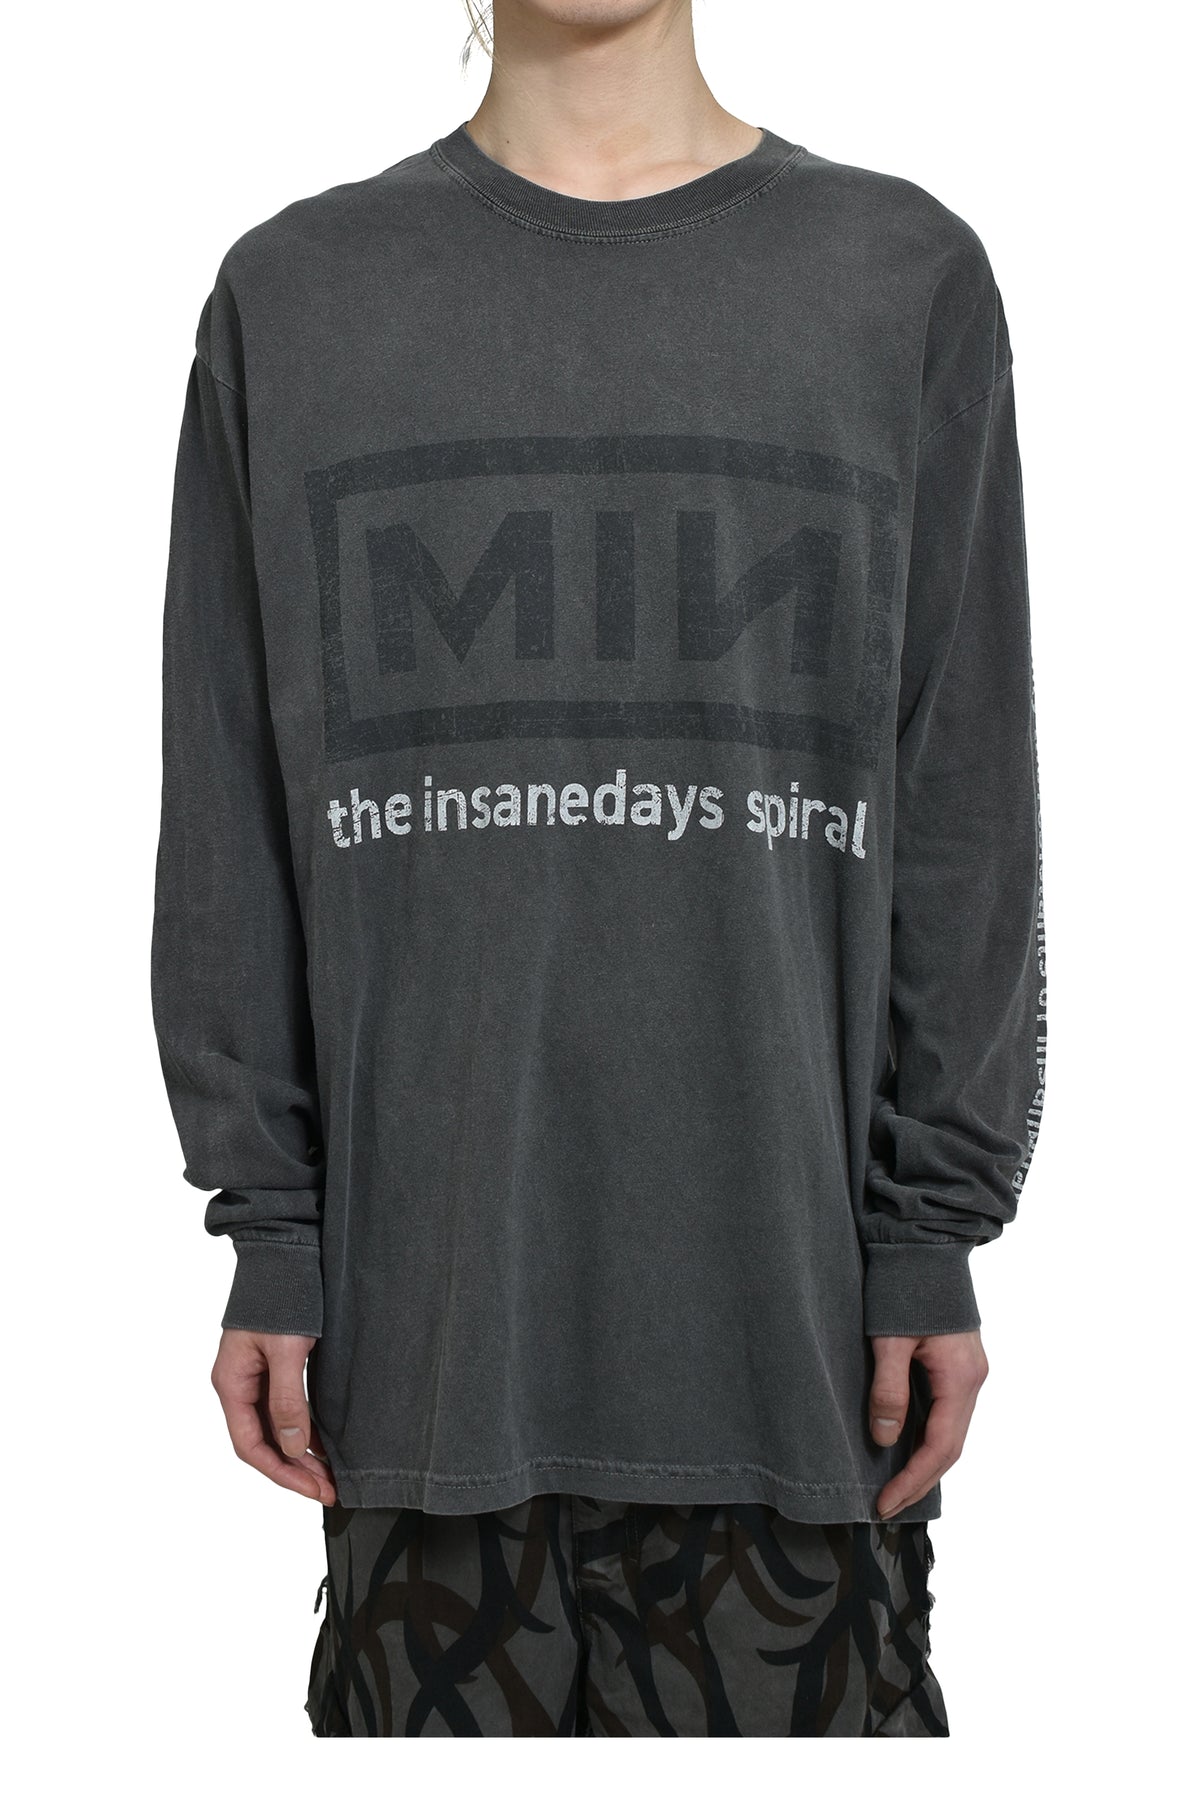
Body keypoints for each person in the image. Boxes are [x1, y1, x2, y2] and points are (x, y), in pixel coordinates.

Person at [150, 0, 1047, 1738]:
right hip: (424, 1366)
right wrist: (269, 1224)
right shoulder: (295, 296)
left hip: (799, 1369)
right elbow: (229, 813)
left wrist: (930, 1230)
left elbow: (959, 803)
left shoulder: (901, 281)